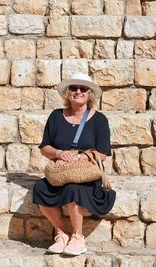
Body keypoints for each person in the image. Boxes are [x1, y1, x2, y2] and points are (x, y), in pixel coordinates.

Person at [33, 72, 116, 256]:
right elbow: (44, 147)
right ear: (67, 93)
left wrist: (78, 158)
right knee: (39, 188)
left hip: (85, 174)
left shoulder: (99, 120)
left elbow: (102, 153)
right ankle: (62, 233)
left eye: (83, 88)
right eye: (73, 88)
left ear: (89, 94)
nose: (78, 91)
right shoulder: (55, 116)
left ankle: (78, 237)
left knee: (74, 188)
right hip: (61, 172)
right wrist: (59, 153)